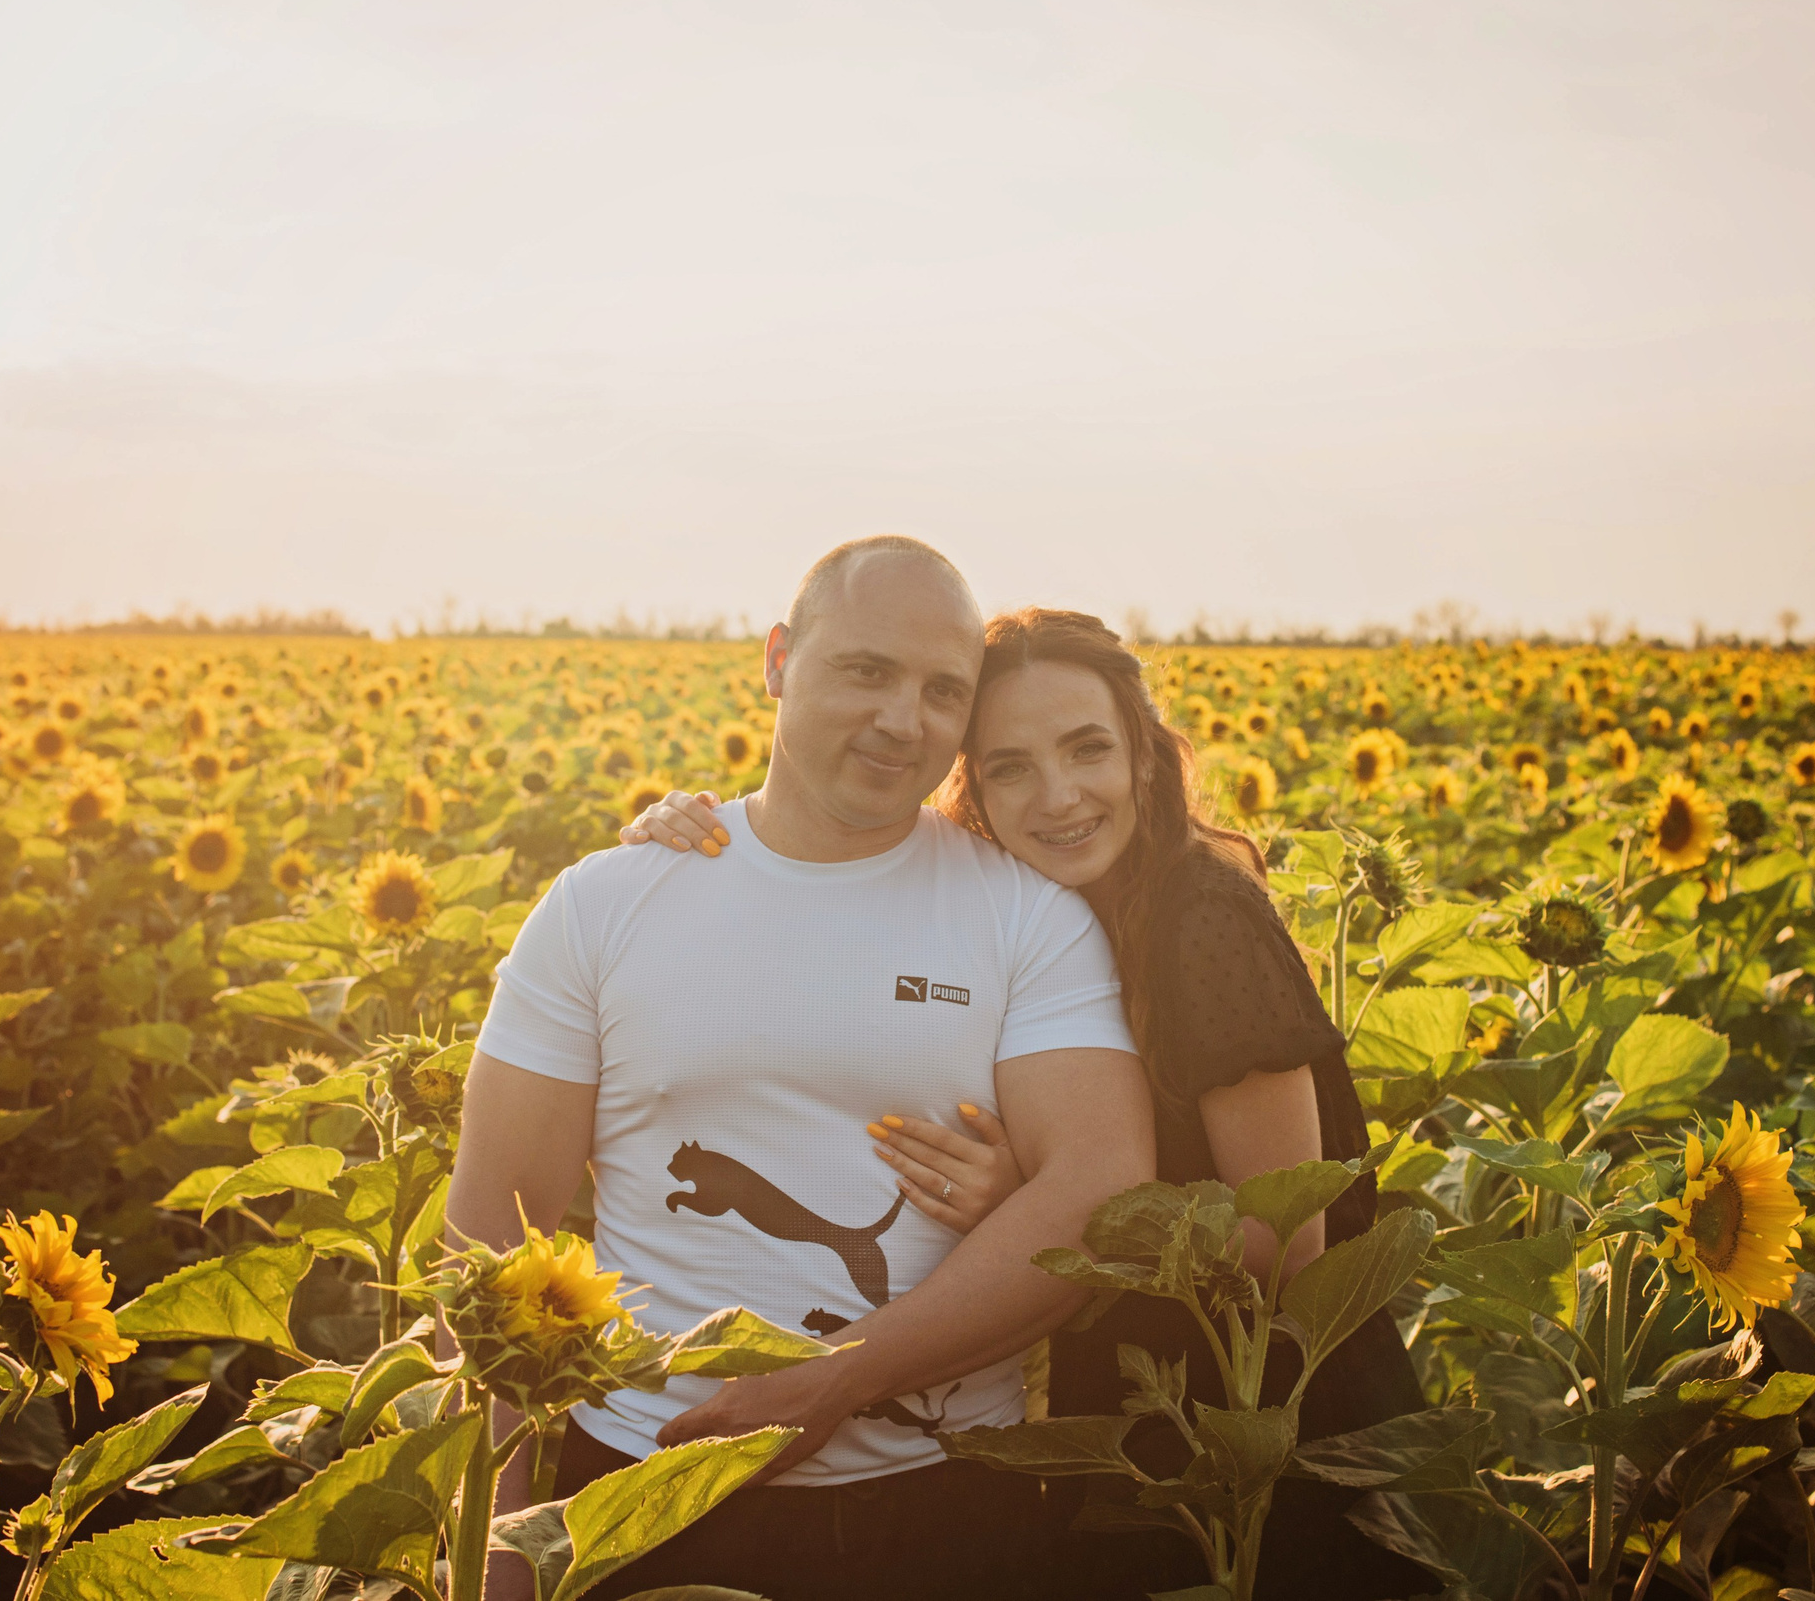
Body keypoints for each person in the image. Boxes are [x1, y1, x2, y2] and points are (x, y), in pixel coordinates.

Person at [622, 606, 1431, 1600]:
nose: (1059, 795)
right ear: (971, 785)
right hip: (1145, 1425)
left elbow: (1284, 1240)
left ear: (1143, 755)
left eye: (1087, 748)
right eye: (1009, 766)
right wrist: (697, 831)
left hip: (1273, 1442)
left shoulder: (1199, 920)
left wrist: (1057, 1211)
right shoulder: (1024, 915)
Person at [448, 538, 1157, 1601]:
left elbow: (1096, 1181)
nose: (900, 718)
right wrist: (496, 1543)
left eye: (941, 691)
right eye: (865, 670)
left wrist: (835, 1377)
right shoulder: (606, 902)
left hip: (948, 1505)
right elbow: (495, 1231)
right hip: (643, 1496)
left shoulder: (1026, 913)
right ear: (779, 658)